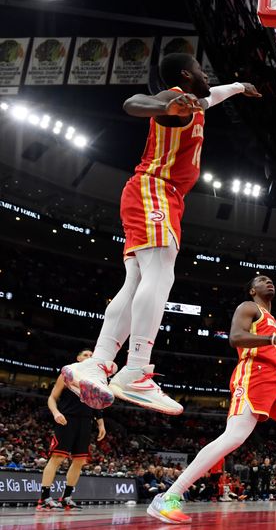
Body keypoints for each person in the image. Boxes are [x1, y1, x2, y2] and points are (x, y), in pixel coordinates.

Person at [61, 53, 262, 415]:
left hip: (154, 193)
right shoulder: (174, 99)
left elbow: (212, 96)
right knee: (160, 273)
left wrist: (238, 87)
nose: (206, 75)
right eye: (201, 70)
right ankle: (136, 369)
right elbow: (134, 103)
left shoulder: (195, 103)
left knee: (137, 281)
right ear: (186, 74)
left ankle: (99, 362)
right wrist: (167, 105)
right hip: (155, 190)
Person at [147, 275, 276, 523]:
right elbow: (235, 338)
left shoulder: (275, 323)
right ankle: (169, 496)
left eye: (271, 280)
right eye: (262, 280)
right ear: (252, 290)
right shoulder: (248, 307)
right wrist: (275, 340)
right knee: (234, 437)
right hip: (252, 377)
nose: (269, 282)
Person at [37, 349, 106, 511]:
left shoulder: (94, 379)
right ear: (78, 358)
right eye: (85, 355)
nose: (88, 357)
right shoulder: (68, 373)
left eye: (91, 356)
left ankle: (66, 497)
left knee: (79, 461)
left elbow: (96, 404)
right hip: (67, 419)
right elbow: (52, 398)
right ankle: (44, 498)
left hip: (86, 422)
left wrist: (101, 424)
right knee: (57, 458)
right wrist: (56, 413)